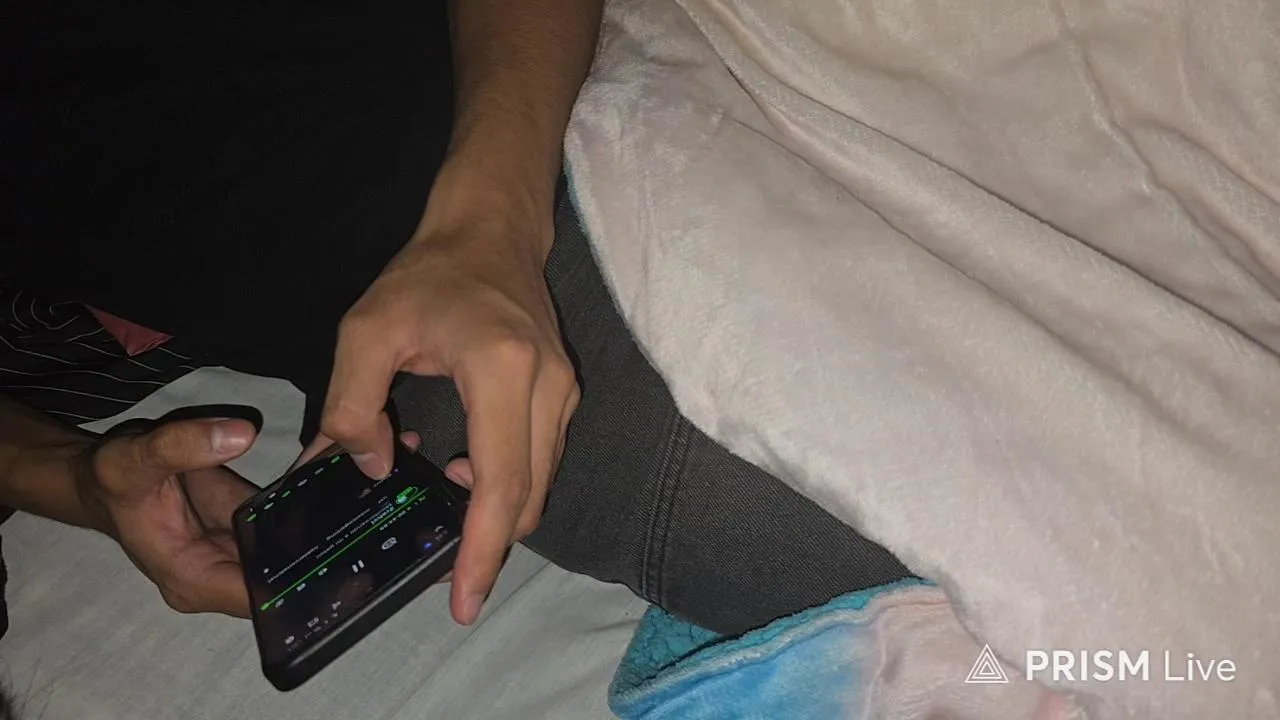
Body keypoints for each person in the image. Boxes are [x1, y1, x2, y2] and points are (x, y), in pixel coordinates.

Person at [1, 0, 911, 645]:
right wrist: (73, 476)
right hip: (419, 370)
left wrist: (488, 227)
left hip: (545, 116)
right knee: (945, 614)